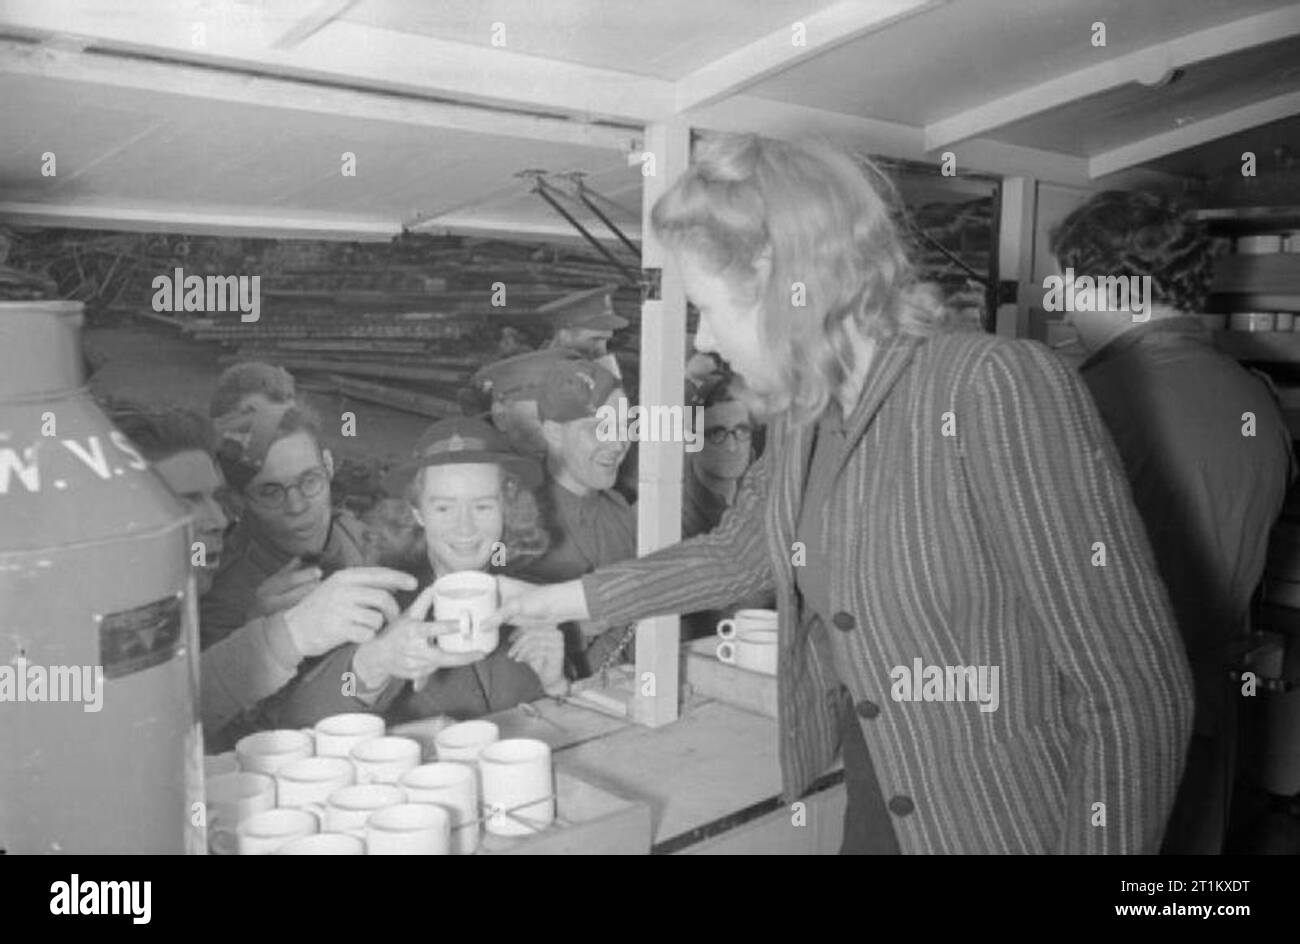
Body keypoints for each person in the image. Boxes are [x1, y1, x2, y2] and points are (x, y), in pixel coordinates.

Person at [489, 133, 1194, 854]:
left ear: (777, 276)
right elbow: (739, 556)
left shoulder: (993, 386)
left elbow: (1136, 694)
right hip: (882, 799)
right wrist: (548, 601)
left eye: (706, 306)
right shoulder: (806, 413)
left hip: (1004, 820)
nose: (703, 341)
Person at [1050, 190, 1296, 854]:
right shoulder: (1255, 395)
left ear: (1106, 286)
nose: (1063, 304)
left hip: (1106, 734)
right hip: (1210, 716)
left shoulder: (1086, 403)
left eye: (1068, 284)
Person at [107, 405, 417, 746]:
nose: (218, 521)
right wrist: (273, 636)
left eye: (310, 480)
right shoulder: (121, 619)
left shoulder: (368, 536)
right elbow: (156, 731)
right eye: (186, 501)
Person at [262, 417, 567, 727]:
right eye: (444, 508)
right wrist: (373, 663)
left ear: (507, 509)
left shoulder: (532, 601)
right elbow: (297, 718)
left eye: (483, 506)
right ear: (418, 513)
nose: (465, 527)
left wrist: (555, 683)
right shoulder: (379, 605)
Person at [511, 358, 639, 677]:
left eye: (625, 427)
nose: (619, 443)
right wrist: (579, 627)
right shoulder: (514, 521)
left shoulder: (620, 509)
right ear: (553, 433)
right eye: (600, 428)